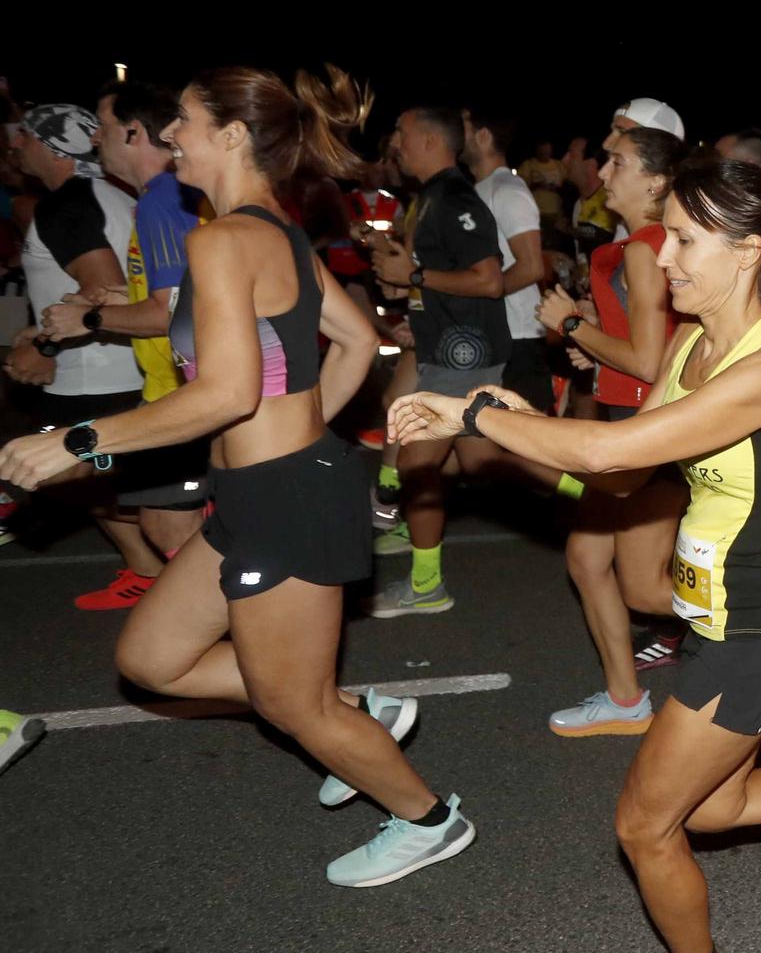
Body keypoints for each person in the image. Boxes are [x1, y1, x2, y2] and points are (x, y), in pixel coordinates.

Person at [383, 90, 761, 953]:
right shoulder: (691, 342)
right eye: (667, 236)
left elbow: (616, 453)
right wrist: (509, 428)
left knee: (644, 827)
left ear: (746, 252)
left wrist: (476, 414)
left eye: (683, 241)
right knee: (714, 806)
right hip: (722, 619)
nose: (664, 256)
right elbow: (621, 468)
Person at [1, 66, 474, 886]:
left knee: (294, 702)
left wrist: (80, 441)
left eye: (181, 121)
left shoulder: (224, 240)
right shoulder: (273, 230)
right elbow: (358, 340)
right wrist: (304, 431)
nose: (169, 135)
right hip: (262, 491)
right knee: (151, 659)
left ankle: (430, 818)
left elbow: (222, 392)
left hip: (283, 498)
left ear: (229, 134)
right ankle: (354, 715)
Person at [537, 126, 691, 731]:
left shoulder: (644, 247)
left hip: (647, 430)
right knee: (585, 558)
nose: (603, 173)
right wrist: (597, 347)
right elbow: (646, 343)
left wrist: (573, 325)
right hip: (639, 420)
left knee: (647, 593)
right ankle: (627, 702)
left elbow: (652, 362)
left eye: (618, 163)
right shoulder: (645, 245)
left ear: (655, 181)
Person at [367, 105, 542, 615]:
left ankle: (426, 586)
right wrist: (415, 313)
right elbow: (438, 278)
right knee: (483, 457)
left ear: (427, 140)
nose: (395, 142)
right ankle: (593, 487)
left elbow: (488, 280)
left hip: (465, 352)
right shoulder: (428, 198)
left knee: (418, 465)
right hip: (445, 347)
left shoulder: (454, 197)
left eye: (401, 132)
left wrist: (413, 279)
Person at [38, 82, 208, 571]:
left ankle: (233, 628)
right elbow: (181, 294)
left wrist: (89, 319)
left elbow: (171, 311)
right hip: (173, 387)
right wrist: (117, 300)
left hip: (182, 392)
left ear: (134, 132)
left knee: (169, 526)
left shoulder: (162, 199)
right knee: (168, 522)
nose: (95, 139)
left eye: (104, 127)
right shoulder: (159, 198)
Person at [6, 103, 154, 606]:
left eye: (23, 136)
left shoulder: (66, 204)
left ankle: (164, 568)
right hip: (113, 364)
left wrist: (43, 347)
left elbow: (104, 290)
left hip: (92, 371)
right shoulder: (111, 194)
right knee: (90, 479)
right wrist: (36, 331)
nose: (14, 145)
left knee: (54, 472)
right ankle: (150, 567)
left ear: (51, 146)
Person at [464, 108, 554, 411]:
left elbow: (531, 266)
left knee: (535, 437)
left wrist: (480, 294)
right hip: (490, 334)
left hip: (518, 335)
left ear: (483, 136)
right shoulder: (477, 191)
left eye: (462, 127)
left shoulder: (507, 189)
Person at [519, 140, 567, 228]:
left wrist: (556, 189)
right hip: (535, 213)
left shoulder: (559, 165)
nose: (545, 153)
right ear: (537, 151)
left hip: (556, 212)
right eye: (542, 151)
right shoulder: (528, 165)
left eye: (547, 151)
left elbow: (568, 187)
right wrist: (536, 185)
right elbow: (520, 188)